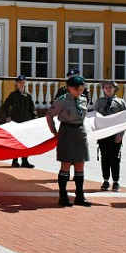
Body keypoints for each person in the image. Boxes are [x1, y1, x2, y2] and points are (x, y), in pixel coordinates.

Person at [46, 75, 91, 207]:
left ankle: (79, 196)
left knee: (80, 164)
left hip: (80, 132)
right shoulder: (62, 101)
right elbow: (49, 115)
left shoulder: (83, 100)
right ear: (69, 88)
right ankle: (63, 195)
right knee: (65, 164)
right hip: (66, 131)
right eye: (77, 88)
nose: (79, 91)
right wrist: (54, 131)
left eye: (82, 88)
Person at [93, 80, 126, 192]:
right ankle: (106, 180)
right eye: (106, 87)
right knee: (105, 158)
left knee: (115, 158)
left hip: (115, 134)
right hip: (103, 134)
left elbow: (124, 119)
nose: (108, 89)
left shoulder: (120, 102)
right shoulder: (99, 102)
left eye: (110, 87)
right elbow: (94, 117)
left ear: (114, 89)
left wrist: (121, 134)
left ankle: (116, 181)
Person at [1, 74, 37, 168]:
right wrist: (8, 116)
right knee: (16, 142)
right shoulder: (13, 95)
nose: (22, 84)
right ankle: (15, 160)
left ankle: (25, 160)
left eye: (23, 82)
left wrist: (35, 120)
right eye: (20, 82)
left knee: (25, 142)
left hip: (25, 122)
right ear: (16, 83)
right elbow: (5, 106)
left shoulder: (28, 96)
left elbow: (32, 109)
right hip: (16, 122)